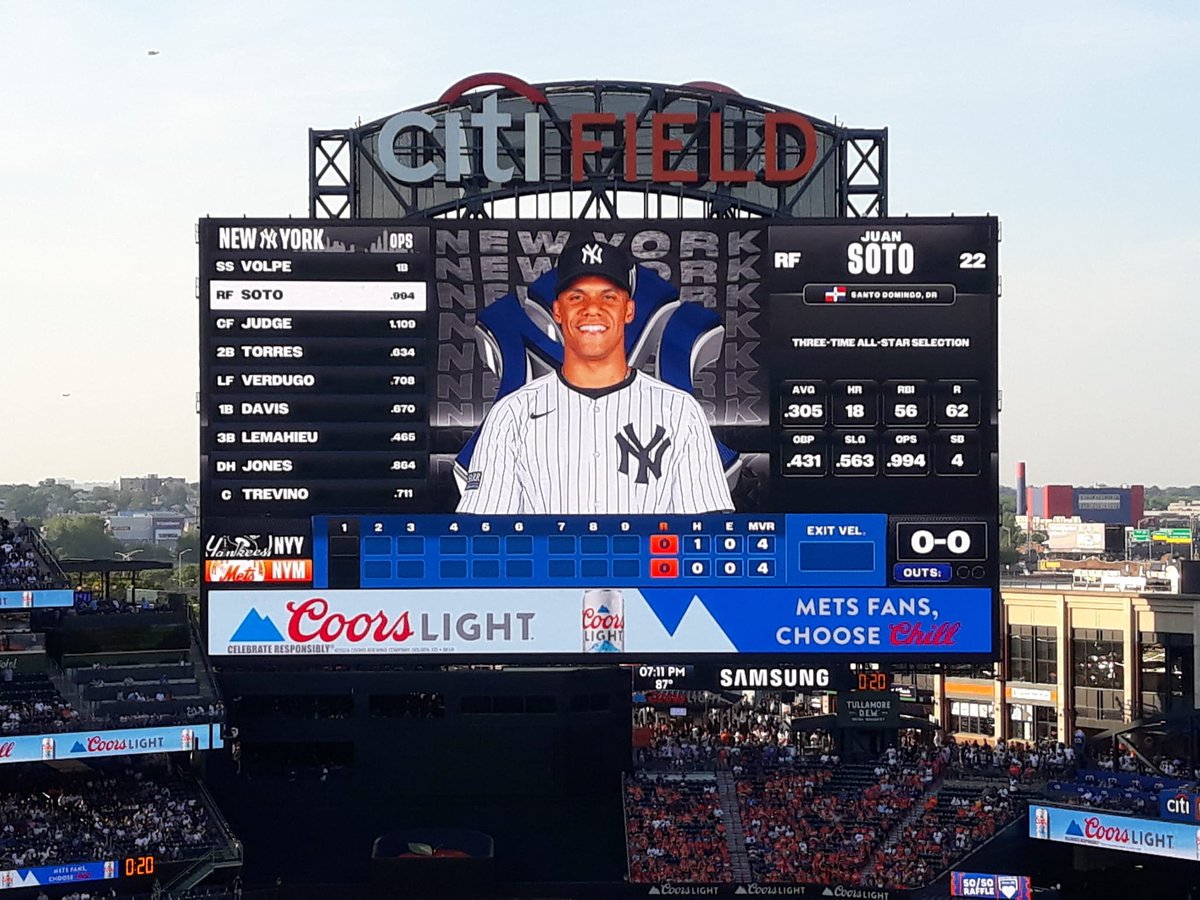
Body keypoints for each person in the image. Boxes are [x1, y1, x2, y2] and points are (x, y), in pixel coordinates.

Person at [457, 235, 734, 515]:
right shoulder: (512, 414)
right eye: (577, 297)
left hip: (648, 561)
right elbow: (483, 537)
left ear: (628, 310)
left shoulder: (679, 411)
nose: (592, 308)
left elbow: (707, 534)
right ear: (557, 311)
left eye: (608, 297)